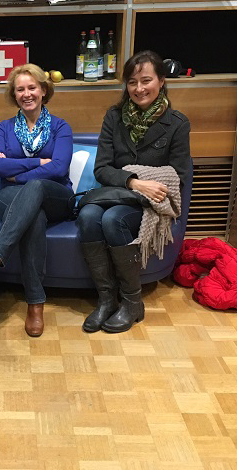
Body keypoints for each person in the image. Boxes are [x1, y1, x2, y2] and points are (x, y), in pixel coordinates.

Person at [77, 50, 191, 334]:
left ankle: (131, 302)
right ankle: (106, 300)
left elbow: (178, 176)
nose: (139, 88)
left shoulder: (177, 123)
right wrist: (135, 181)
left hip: (152, 202)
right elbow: (102, 169)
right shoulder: (114, 116)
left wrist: (147, 187)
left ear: (161, 81)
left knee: (112, 219)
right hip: (119, 192)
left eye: (146, 80)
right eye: (132, 82)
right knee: (88, 215)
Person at [0, 64, 74, 337]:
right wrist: (38, 162)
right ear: (14, 94)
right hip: (12, 196)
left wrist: (16, 172)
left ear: (43, 90)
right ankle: (35, 304)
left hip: (56, 195)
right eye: (20, 89)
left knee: (37, 186)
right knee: (34, 216)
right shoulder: (4, 128)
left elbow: (60, 168)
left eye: (32, 88)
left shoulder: (60, 127)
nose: (26, 94)